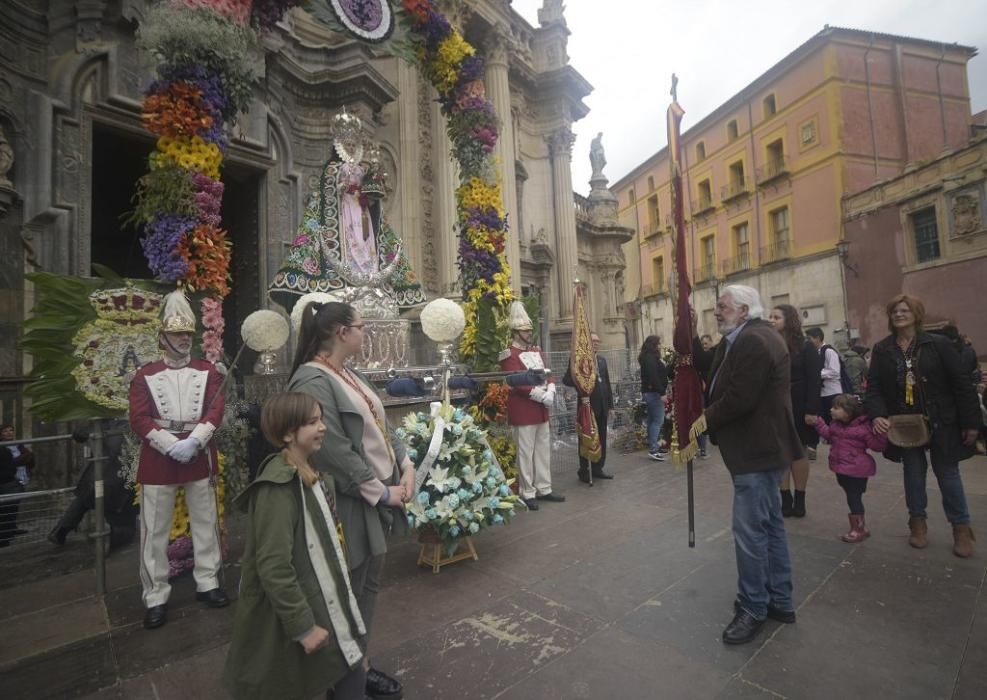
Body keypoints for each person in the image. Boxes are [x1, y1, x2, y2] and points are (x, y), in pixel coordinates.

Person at [286, 300, 409, 700]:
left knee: (367, 582)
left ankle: (359, 662)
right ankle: (344, 676)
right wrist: (380, 490)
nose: (364, 332)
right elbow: (332, 450)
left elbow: (379, 422)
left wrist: (404, 463)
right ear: (341, 332)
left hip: (369, 496)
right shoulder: (312, 381)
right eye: (360, 326)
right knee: (347, 587)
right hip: (346, 503)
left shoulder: (346, 373)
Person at [223, 392, 367, 700]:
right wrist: (303, 627)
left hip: (325, 601)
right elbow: (274, 565)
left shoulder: (310, 474)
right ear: (288, 433)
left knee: (350, 671)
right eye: (313, 422)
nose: (323, 427)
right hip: (303, 611)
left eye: (321, 419)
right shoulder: (278, 488)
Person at [694, 285, 801, 645]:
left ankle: (755, 606)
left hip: (757, 451)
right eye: (716, 307)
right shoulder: (741, 338)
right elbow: (711, 367)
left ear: (743, 310)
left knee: (750, 533)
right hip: (761, 450)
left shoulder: (755, 340)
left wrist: (703, 420)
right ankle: (780, 600)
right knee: (769, 526)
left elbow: (740, 397)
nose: (717, 311)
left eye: (722, 307)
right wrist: (688, 332)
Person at [128, 291, 228, 630]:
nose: (184, 339)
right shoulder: (145, 375)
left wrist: (196, 440)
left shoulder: (208, 371)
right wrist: (171, 445)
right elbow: (139, 418)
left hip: (199, 454)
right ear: (162, 337)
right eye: (177, 333)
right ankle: (155, 596)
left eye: (187, 333)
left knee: (206, 521)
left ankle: (208, 582)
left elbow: (216, 408)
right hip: (159, 458)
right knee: (154, 531)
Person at [865, 294, 980, 558]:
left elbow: (961, 384)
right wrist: (877, 415)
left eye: (904, 310)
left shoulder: (938, 344)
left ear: (916, 314)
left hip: (943, 421)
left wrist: (971, 422)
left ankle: (961, 529)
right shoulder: (883, 349)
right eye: (895, 311)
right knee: (913, 475)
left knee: (948, 475)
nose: (899, 314)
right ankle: (917, 524)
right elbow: (874, 389)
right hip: (904, 424)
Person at [499, 301, 564, 510]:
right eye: (525, 331)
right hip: (524, 410)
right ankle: (527, 492)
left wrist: (552, 388)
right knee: (525, 453)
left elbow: (547, 372)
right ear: (516, 333)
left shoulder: (537, 350)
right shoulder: (508, 355)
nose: (529, 334)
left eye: (529, 330)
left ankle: (544, 487)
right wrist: (539, 395)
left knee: (543, 450)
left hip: (541, 409)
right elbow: (515, 382)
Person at [809, 394, 888, 543]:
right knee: (851, 496)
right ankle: (859, 527)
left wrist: (882, 434)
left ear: (848, 411)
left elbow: (877, 446)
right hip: (842, 469)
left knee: (854, 498)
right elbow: (828, 434)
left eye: (836, 408)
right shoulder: (836, 425)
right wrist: (819, 423)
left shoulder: (863, 429)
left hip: (856, 470)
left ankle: (859, 529)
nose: (831, 410)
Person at [767, 304, 822, 518]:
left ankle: (800, 497)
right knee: (781, 453)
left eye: (776, 317)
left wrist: (812, 410)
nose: (771, 320)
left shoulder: (806, 347)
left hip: (799, 405)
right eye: (770, 316)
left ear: (788, 320)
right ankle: (785, 498)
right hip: (775, 405)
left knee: (798, 452)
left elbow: (814, 380)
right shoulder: (768, 345)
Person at [564, 332, 615, 482]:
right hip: (587, 407)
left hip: (603, 407)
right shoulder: (579, 361)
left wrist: (611, 405)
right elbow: (567, 380)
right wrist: (577, 377)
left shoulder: (602, 361)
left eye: (598, 341)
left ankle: (598, 467)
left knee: (602, 438)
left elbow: (607, 383)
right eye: (593, 341)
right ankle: (584, 470)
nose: (596, 344)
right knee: (586, 439)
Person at [639, 335, 669, 461]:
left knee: (652, 421)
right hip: (654, 393)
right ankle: (653, 449)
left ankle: (654, 445)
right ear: (654, 344)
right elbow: (653, 376)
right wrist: (662, 393)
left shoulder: (648, 357)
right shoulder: (650, 358)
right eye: (658, 343)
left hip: (651, 392)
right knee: (658, 421)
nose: (660, 346)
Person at [806, 327, 842, 424]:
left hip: (832, 393)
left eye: (809, 339)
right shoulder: (816, 353)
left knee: (834, 422)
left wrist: (816, 374)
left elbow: (834, 371)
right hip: (822, 394)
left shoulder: (829, 351)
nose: (808, 342)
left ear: (817, 338)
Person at [2, 424, 34, 488]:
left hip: (24, 475)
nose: (9, 433)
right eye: (5, 431)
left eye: (11, 430)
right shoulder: (1, 447)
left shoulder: (19, 444)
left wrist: (17, 460)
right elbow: (8, 463)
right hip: (8, 480)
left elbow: (29, 456)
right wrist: (21, 459)